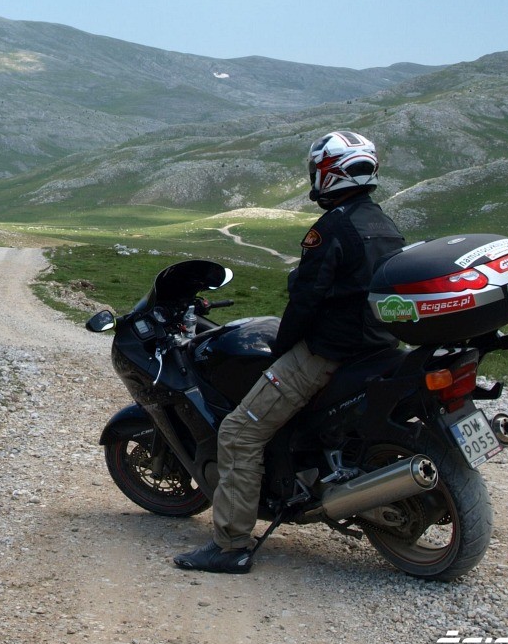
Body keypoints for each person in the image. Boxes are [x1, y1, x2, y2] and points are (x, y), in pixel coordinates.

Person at [173, 131, 405, 574]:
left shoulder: (330, 228)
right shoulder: (384, 223)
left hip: (329, 354)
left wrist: (282, 348)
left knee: (238, 433)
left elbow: (305, 301)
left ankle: (230, 545)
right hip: (377, 347)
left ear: (328, 174)